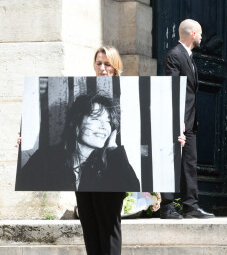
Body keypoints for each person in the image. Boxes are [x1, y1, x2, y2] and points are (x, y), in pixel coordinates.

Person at [17, 46, 142, 255]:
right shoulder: (53, 157)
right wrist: (23, 142)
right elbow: (29, 174)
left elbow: (133, 184)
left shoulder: (129, 91)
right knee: (90, 226)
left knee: (108, 225)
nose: (102, 68)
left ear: (116, 66)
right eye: (99, 63)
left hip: (109, 174)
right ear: (76, 124)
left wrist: (112, 147)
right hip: (86, 177)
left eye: (108, 64)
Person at [160, 19, 215, 219]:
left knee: (189, 163)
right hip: (179, 120)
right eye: (200, 33)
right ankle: (167, 207)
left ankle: (190, 205)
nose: (201, 37)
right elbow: (172, 91)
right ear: (192, 34)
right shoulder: (175, 55)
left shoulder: (188, 56)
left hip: (190, 119)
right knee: (171, 161)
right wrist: (178, 121)